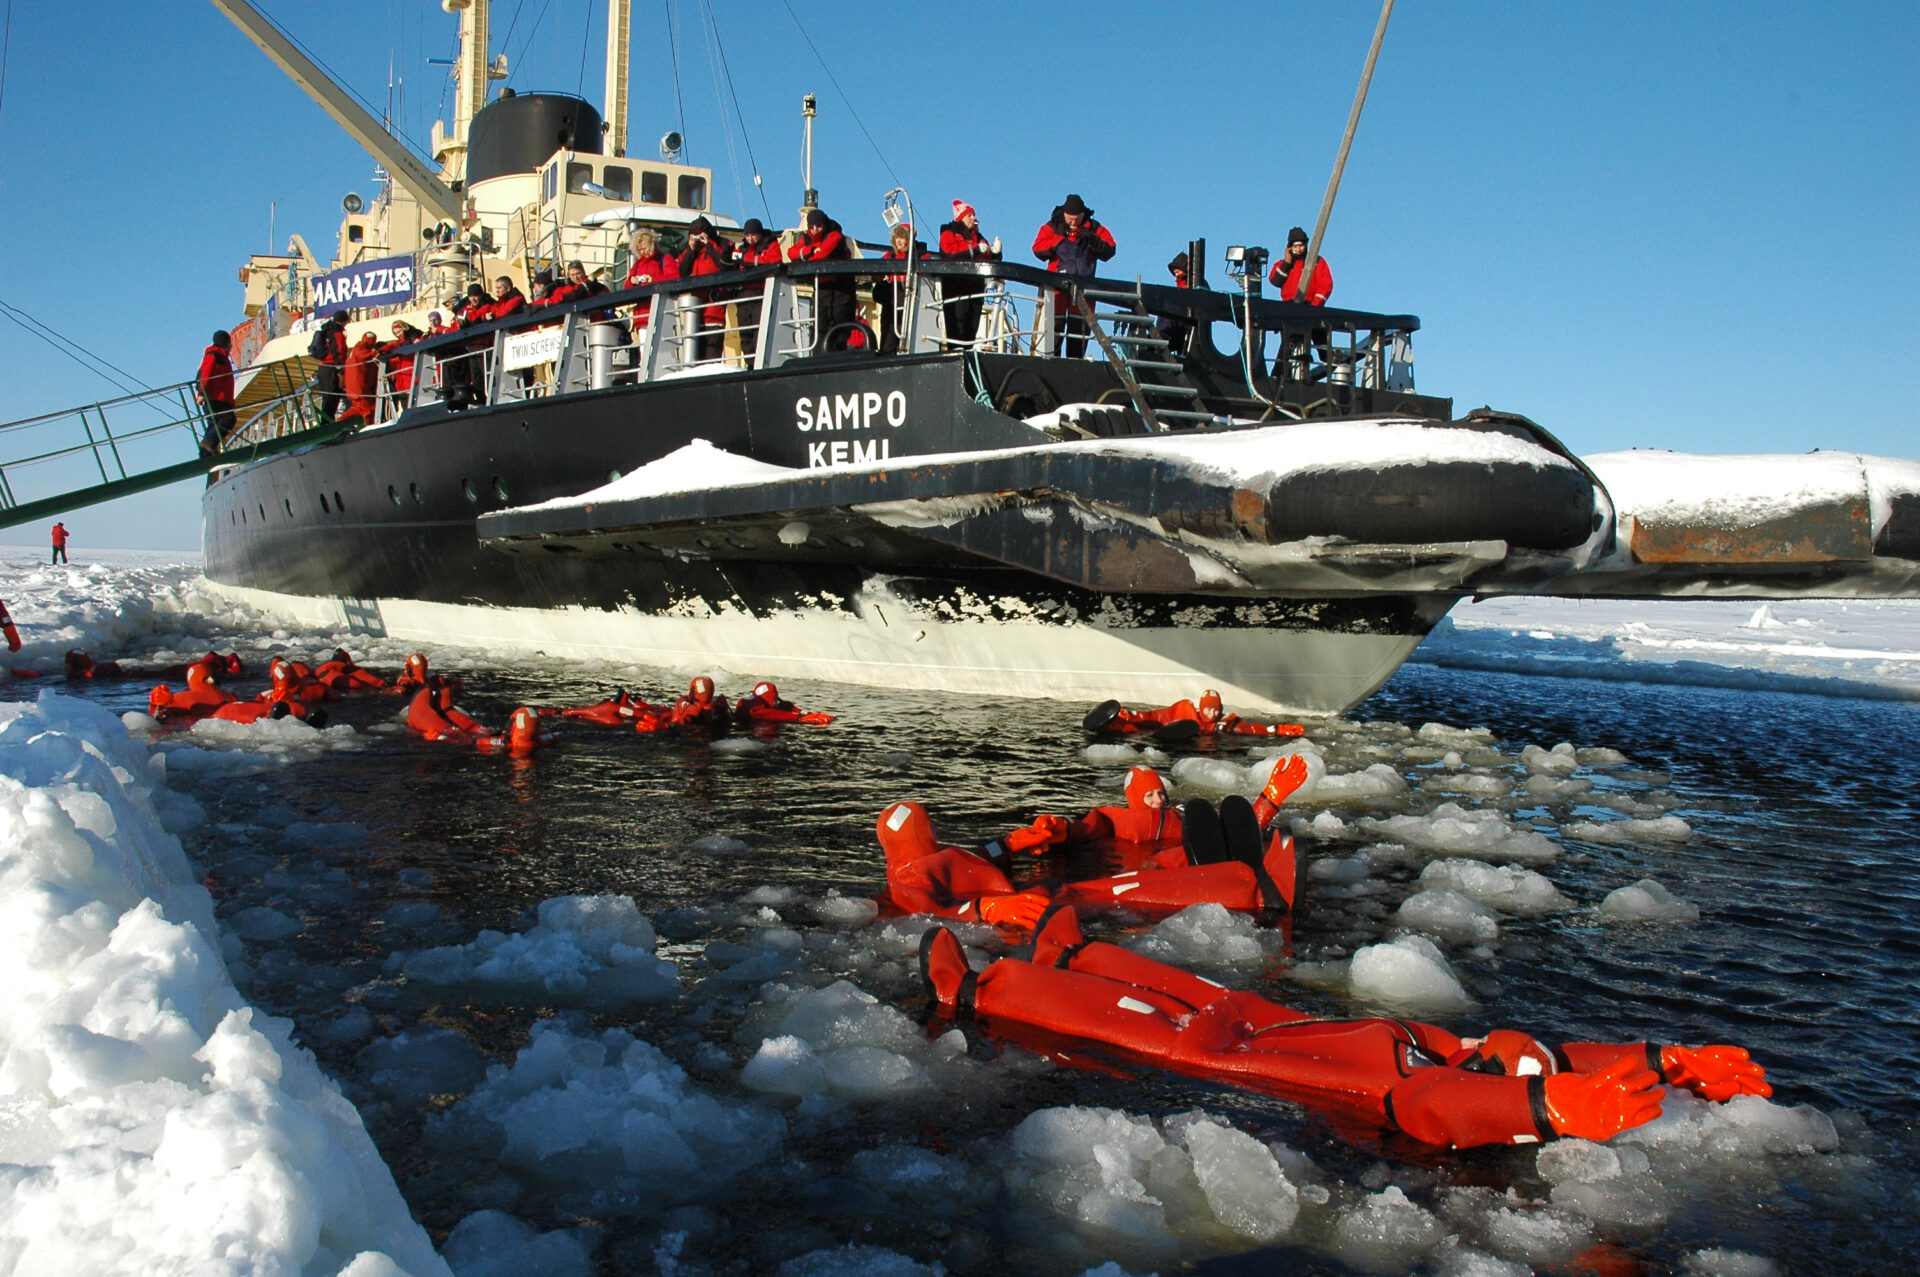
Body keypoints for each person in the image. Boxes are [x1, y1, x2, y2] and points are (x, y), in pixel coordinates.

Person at [918, 906, 1770, 1151]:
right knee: (1192, 985)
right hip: (1285, 1027)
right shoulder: (1475, 1054)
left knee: (1137, 1022)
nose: (1505, 1042)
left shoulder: (1431, 1087)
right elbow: (1566, 1056)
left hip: (1231, 1056)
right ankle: (1078, 952)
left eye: (1516, 1062)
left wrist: (1543, 1111)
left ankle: (977, 988)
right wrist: (1665, 1058)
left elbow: (1438, 1110)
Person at [875, 790, 1302, 931]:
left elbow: (986, 856)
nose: (934, 830)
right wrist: (989, 909)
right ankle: (1254, 891)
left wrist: (1022, 839)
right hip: (1040, 908)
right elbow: (928, 911)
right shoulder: (910, 877)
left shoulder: (940, 857)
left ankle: (1234, 871)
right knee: (1134, 889)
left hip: (1046, 895)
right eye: (927, 826)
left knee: (1144, 877)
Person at [1032, 194, 1116, 358]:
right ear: (1064, 213)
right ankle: (1051, 361)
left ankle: (1076, 363)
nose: (1072, 221)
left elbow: (1110, 249)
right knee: (1053, 329)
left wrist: (1092, 240)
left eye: (1076, 218)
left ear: (1083, 215)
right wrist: (1057, 244)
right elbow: (1037, 247)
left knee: (1079, 331)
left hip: (1084, 289)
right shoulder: (1052, 226)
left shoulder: (1095, 228)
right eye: (1069, 218)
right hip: (1056, 289)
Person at [1085, 689, 1305, 740]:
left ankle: (1115, 728)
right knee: (1136, 730)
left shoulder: (1225, 723)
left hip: (1187, 742)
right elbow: (1158, 716)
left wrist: (1275, 729)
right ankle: (1112, 725)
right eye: (1208, 708)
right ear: (1201, 707)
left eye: (1216, 709)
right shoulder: (1185, 712)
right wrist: (1134, 716)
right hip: (1169, 733)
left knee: (1141, 735)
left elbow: (1250, 729)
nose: (1212, 712)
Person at [788, 208, 858, 354]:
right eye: (811, 227)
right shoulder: (806, 239)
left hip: (841, 289)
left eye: (818, 226)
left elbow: (823, 254)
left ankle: (837, 358)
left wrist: (805, 259)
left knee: (839, 328)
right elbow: (791, 253)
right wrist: (810, 250)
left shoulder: (835, 236)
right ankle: (818, 357)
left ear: (824, 225)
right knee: (820, 327)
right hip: (822, 289)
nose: (815, 230)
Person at [937, 200, 1000, 346]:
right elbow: (950, 253)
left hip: (976, 287)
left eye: (974, 215)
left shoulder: (979, 237)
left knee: (972, 326)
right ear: (961, 217)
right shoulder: (949, 233)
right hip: (956, 287)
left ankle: (967, 351)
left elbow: (989, 256)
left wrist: (996, 252)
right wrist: (975, 250)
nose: (973, 218)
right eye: (969, 215)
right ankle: (956, 351)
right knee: (957, 326)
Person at [678, 216, 733, 363]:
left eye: (700, 235)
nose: (698, 239)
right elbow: (680, 270)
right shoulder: (693, 252)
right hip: (695, 313)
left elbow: (724, 264)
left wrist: (709, 244)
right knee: (694, 355)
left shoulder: (720, 245)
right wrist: (691, 249)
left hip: (714, 310)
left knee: (711, 354)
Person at [870, 223, 929, 356]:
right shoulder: (889, 255)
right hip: (891, 302)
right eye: (896, 237)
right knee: (888, 338)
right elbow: (876, 272)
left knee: (909, 336)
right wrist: (882, 277)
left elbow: (926, 276)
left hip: (912, 301)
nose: (899, 241)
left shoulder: (920, 255)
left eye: (902, 237)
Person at [730, 219, 783, 358]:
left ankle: (758, 360)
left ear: (759, 234)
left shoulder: (771, 245)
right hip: (743, 295)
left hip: (761, 294)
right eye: (747, 235)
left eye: (753, 235)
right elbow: (731, 263)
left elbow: (774, 260)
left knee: (759, 331)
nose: (750, 238)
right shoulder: (742, 249)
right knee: (745, 332)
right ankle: (749, 361)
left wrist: (748, 260)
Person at [624, 228, 681, 329]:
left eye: (644, 248)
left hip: (660, 314)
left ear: (651, 245)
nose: (642, 252)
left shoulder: (665, 259)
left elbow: (674, 279)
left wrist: (653, 280)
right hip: (641, 317)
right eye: (639, 250)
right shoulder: (637, 265)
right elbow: (626, 288)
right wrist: (632, 281)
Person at [196, 330, 236, 458]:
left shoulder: (220, 356)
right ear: (226, 343)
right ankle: (208, 444)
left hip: (219, 397)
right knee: (228, 419)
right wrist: (201, 392)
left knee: (214, 424)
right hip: (216, 398)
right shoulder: (215, 356)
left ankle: (205, 453)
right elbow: (205, 374)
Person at [1268, 226, 1332, 306]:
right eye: (1295, 246)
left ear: (1305, 245)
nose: (1298, 249)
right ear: (1290, 247)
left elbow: (1325, 286)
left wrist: (1315, 306)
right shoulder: (1282, 264)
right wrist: (1287, 262)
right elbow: (1275, 281)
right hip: (1287, 306)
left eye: (1301, 246)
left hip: (1309, 306)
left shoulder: (1317, 261)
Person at [733, 680, 834, 725]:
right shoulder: (752, 706)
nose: (777, 701)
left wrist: (807, 713)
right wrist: (799, 718)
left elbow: (784, 705)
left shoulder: (766, 700)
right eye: (774, 698)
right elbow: (764, 713)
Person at [308, 313, 349, 423]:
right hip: (332, 368)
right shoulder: (337, 333)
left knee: (327, 399)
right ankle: (328, 424)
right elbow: (339, 352)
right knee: (332, 398)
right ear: (343, 321)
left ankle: (326, 422)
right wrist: (341, 370)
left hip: (323, 368)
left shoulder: (326, 330)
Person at [380, 322, 424, 417]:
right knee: (406, 405)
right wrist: (382, 350)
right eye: (395, 333)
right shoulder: (400, 343)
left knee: (412, 404)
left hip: (411, 376)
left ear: (404, 328)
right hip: (403, 379)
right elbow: (393, 345)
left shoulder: (413, 338)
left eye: (399, 332)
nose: (398, 335)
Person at [1156, 253, 1194, 354]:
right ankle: (1160, 335)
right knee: (1164, 307)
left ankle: (1163, 335)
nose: (1176, 275)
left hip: (1185, 324)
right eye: (1175, 272)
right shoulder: (1180, 287)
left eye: (1178, 271)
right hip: (1180, 323)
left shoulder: (1195, 285)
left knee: (1168, 308)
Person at [341, 332, 381, 425]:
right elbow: (362, 354)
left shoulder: (356, 350)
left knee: (359, 408)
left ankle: (338, 423)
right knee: (368, 410)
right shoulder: (361, 347)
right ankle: (369, 429)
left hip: (356, 388)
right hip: (360, 389)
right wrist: (376, 353)